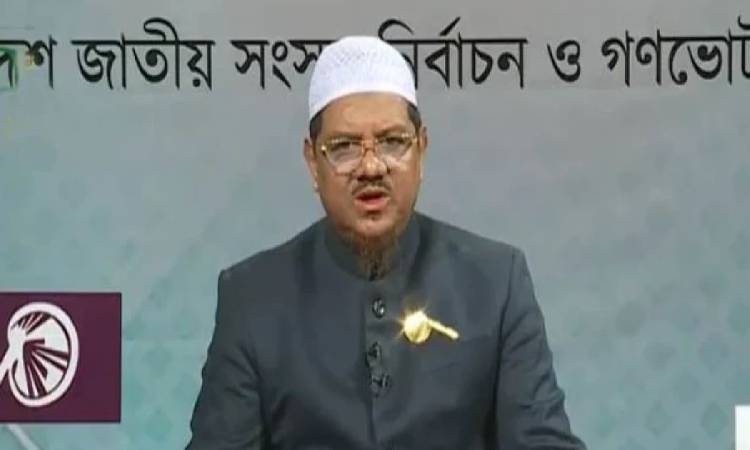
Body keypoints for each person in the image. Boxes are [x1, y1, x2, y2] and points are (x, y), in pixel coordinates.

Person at [187, 35, 586, 450]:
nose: (371, 166)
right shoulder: (253, 298)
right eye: (343, 148)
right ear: (312, 162)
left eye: (393, 142)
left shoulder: (495, 282)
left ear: (421, 150)